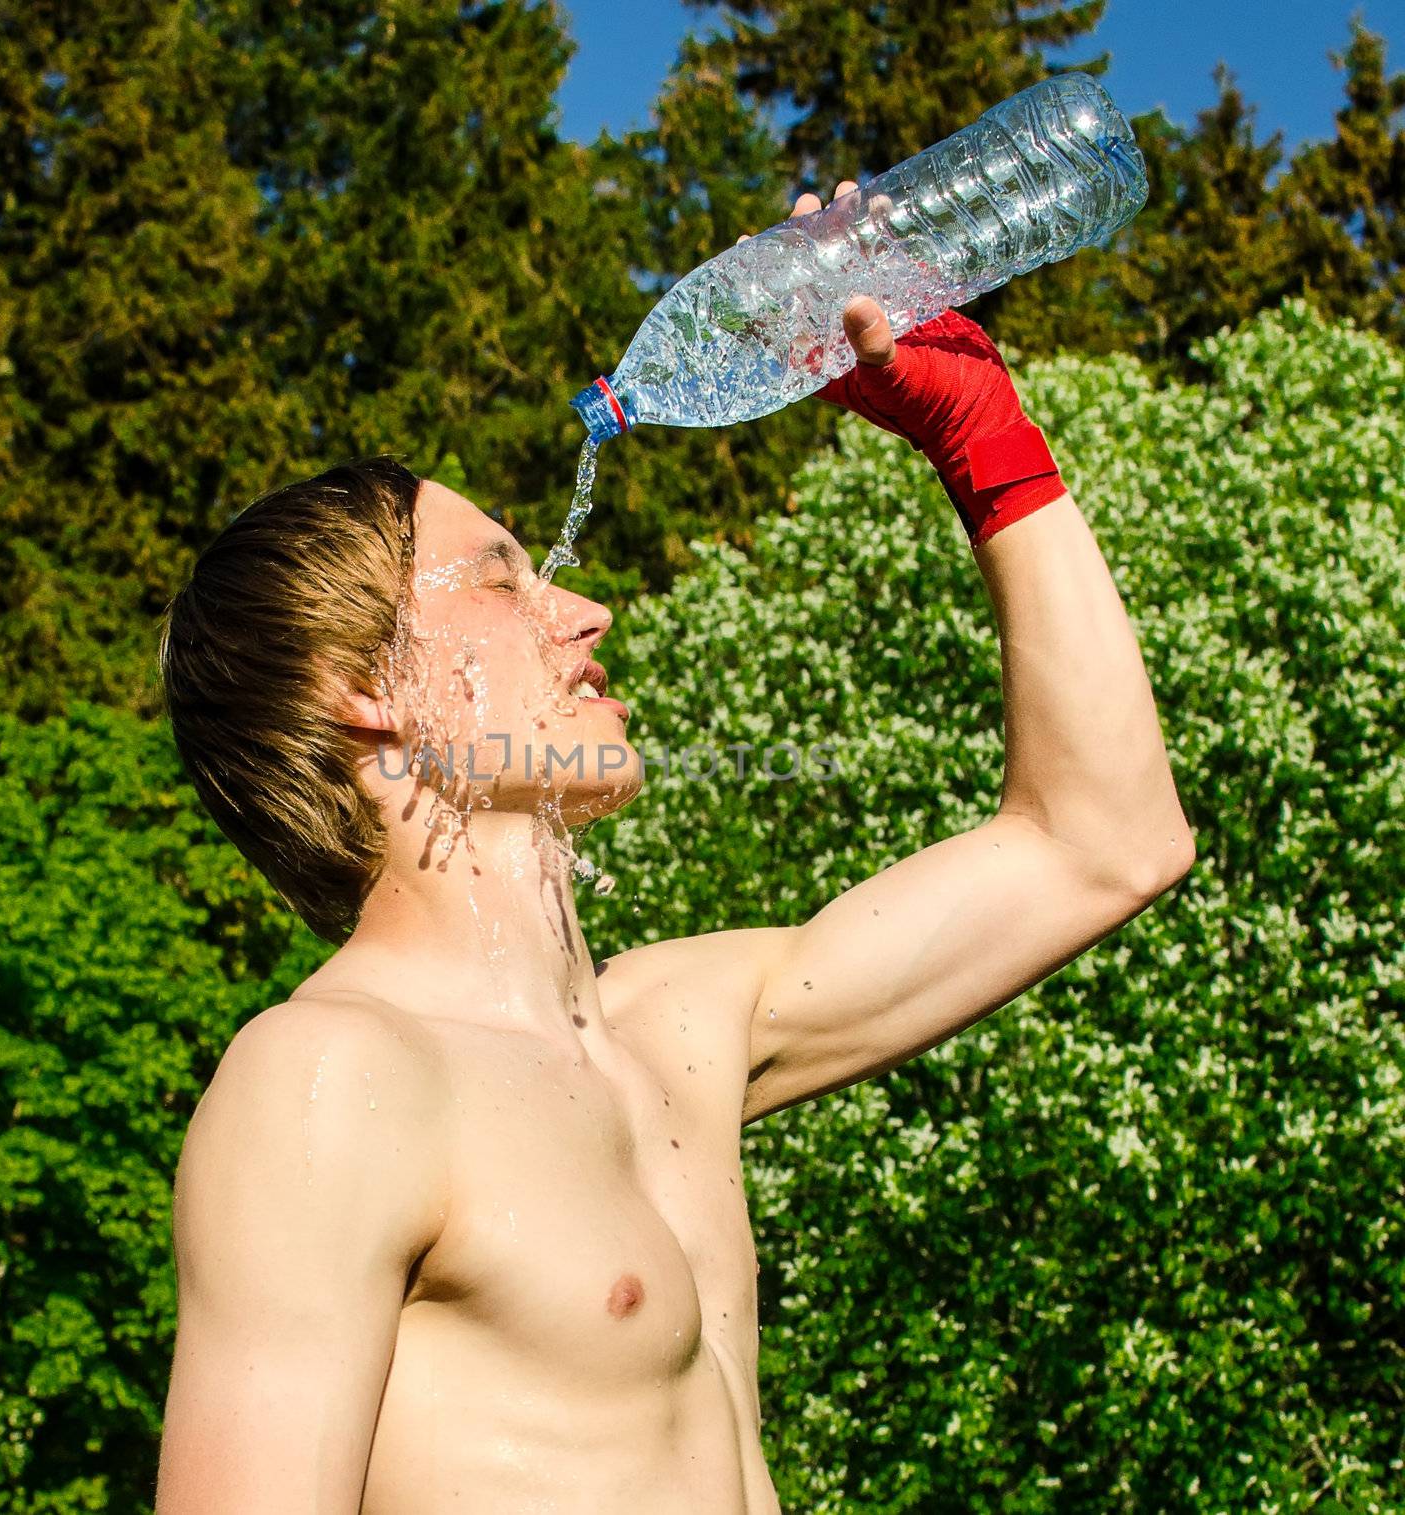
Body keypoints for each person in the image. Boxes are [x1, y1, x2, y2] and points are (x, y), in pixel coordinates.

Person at [151, 183, 1193, 1514]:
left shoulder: (673, 1032)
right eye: (500, 579)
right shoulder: (331, 1082)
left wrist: (985, 440)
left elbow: (1105, 840)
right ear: (360, 682)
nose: (581, 612)